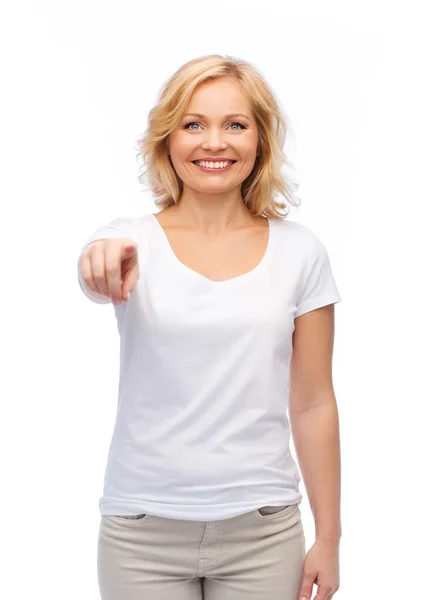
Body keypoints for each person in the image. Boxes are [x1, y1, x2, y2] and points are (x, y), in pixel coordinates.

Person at [77, 54, 342, 600]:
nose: (214, 142)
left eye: (235, 125)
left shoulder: (301, 252)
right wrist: (97, 262)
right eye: (193, 124)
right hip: (141, 534)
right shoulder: (129, 241)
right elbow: (96, 269)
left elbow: (314, 401)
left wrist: (329, 538)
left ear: (260, 141)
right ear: (167, 141)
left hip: (264, 534)